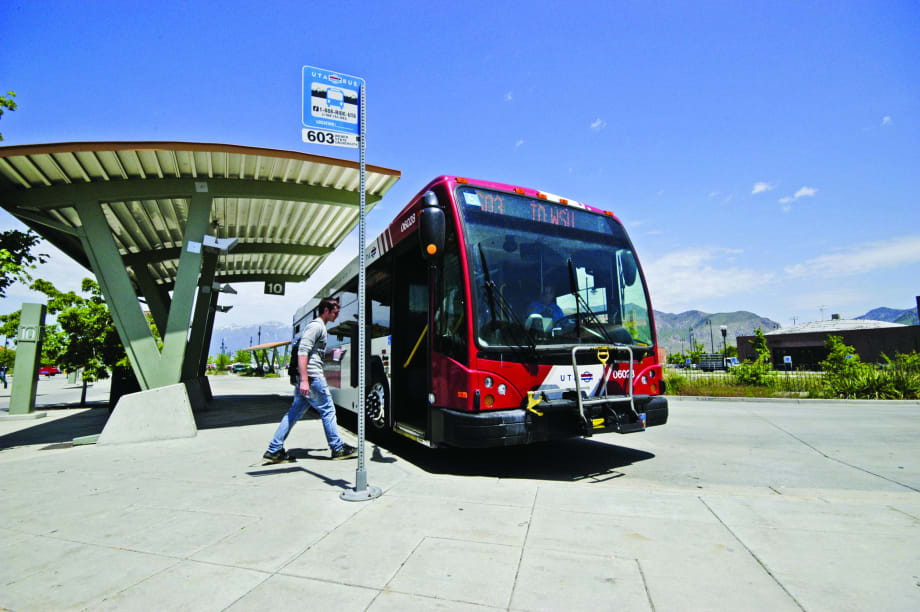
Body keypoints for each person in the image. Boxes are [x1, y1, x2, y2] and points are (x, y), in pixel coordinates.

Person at [263, 297, 357, 462]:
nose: (337, 315)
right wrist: (305, 380)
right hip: (312, 377)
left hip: (309, 376)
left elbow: (312, 353)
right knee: (328, 410)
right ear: (326, 310)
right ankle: (338, 448)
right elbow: (302, 352)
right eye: (335, 311)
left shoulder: (320, 327)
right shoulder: (316, 326)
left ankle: (274, 450)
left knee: (294, 413)